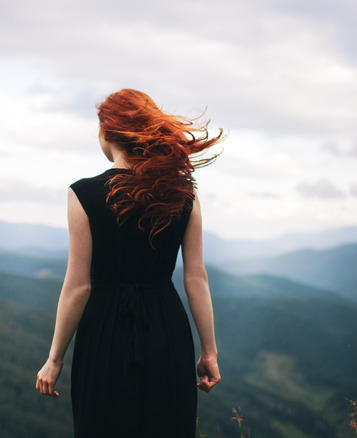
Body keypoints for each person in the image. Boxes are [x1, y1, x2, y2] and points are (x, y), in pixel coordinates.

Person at [36, 88, 223, 437]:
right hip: (167, 329)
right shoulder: (184, 194)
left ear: (108, 133)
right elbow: (196, 278)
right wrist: (209, 351)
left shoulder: (83, 194)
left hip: (104, 332)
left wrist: (55, 358)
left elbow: (78, 287)